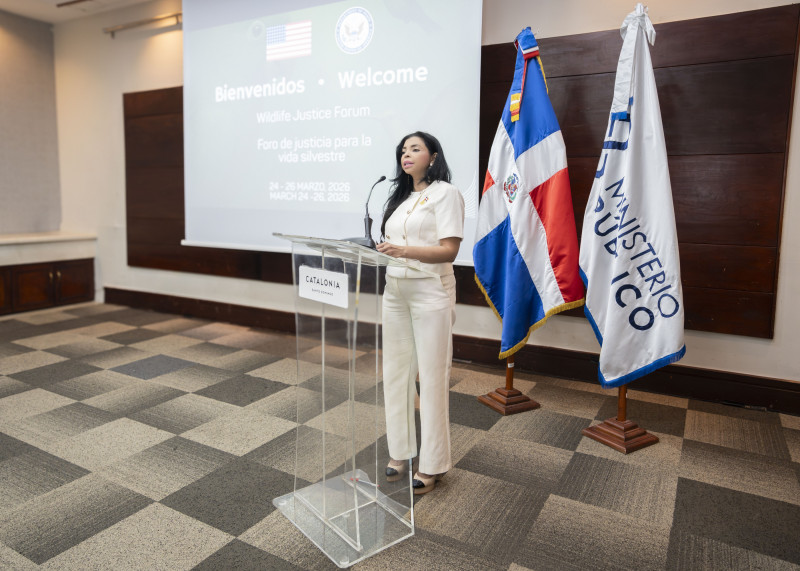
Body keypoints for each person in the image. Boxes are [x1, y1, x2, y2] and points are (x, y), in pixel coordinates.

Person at [376, 131, 465, 495]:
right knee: (396, 374)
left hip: (430, 291)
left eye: (415, 149)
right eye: (403, 150)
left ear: (433, 156)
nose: (406, 154)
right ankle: (400, 452)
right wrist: (389, 251)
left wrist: (403, 251)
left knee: (430, 377)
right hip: (394, 291)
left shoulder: (446, 194)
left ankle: (432, 463)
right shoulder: (399, 197)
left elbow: (449, 250)